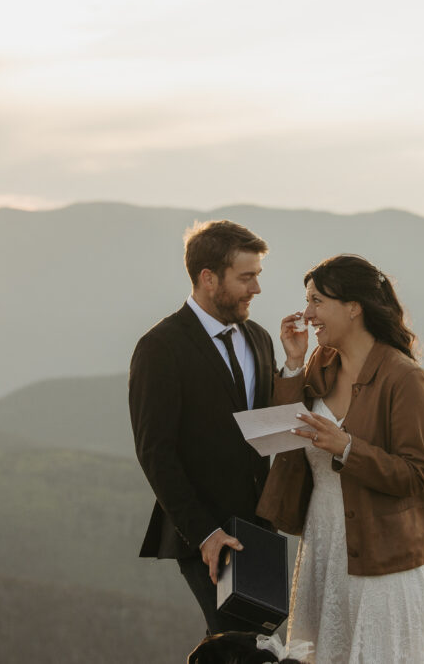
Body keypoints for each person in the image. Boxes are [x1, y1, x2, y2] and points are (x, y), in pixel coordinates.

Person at [257, 254, 424, 663]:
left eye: (317, 301)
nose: (307, 314)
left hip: (380, 562)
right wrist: (294, 363)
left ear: (353, 307)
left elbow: (414, 474)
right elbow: (286, 435)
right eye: (307, 301)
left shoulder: (405, 378)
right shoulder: (320, 362)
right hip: (322, 548)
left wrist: (347, 448)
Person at [129, 220, 279, 636]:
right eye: (246, 277)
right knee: (238, 645)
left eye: (257, 277)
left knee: (257, 646)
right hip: (206, 534)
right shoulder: (160, 347)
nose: (256, 289)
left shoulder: (261, 340)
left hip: (260, 530)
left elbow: (262, 431)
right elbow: (154, 452)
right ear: (208, 278)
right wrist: (206, 534)